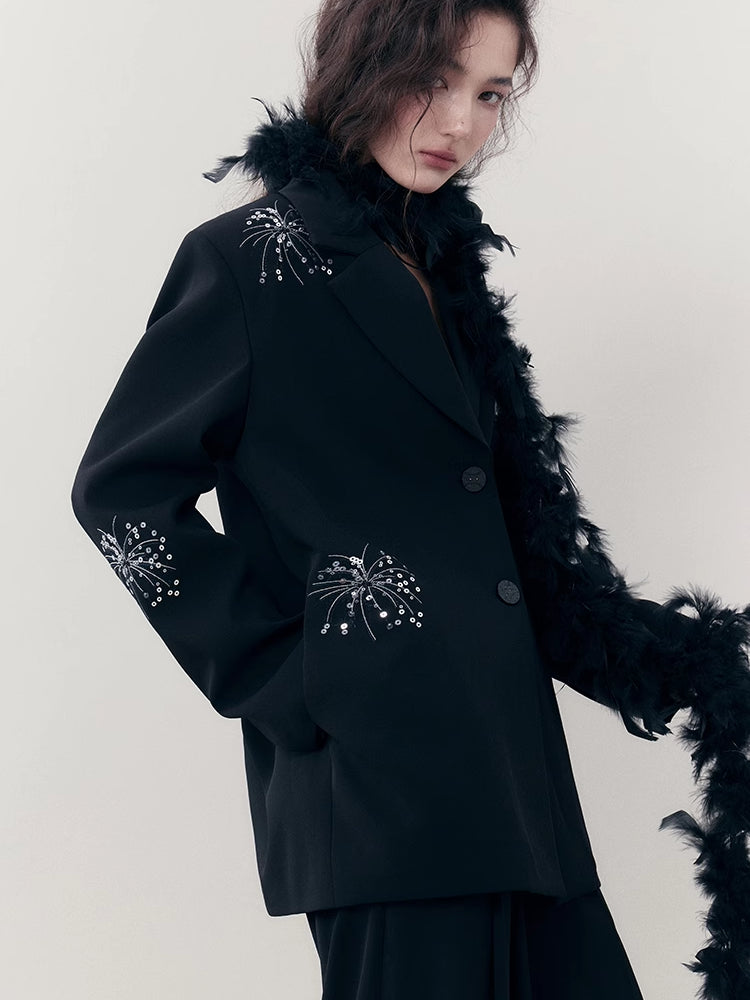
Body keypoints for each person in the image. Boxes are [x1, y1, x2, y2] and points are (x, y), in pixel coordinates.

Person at [70, 1, 750, 997]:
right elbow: (121, 491)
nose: (460, 123)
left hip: (518, 794)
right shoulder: (252, 258)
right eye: (433, 81)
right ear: (365, 65)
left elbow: (506, 544)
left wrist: (695, 665)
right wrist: (292, 677)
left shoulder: (440, 270)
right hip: (379, 807)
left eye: (490, 94)